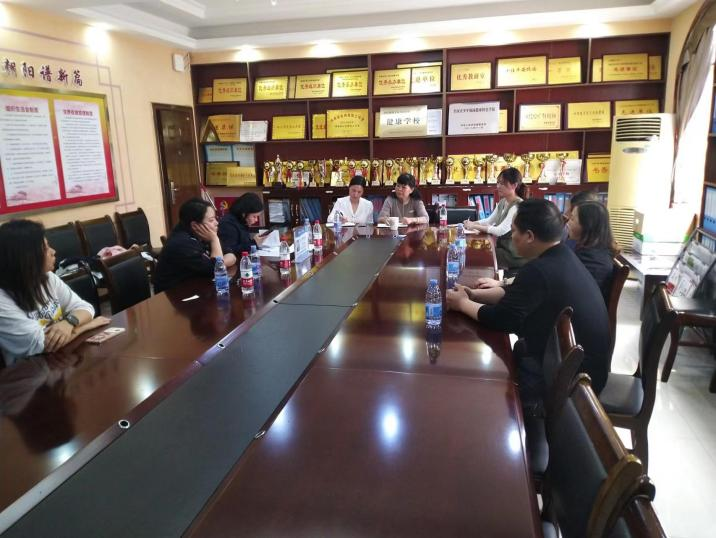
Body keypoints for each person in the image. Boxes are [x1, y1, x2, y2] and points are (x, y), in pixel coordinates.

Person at [446, 199, 611, 402]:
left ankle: (531, 417)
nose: (512, 236)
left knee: (488, 386)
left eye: (514, 231)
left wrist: (462, 304)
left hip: (575, 384)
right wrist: (472, 295)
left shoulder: (540, 270)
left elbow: (502, 319)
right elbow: (518, 293)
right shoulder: (561, 255)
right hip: (582, 368)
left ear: (530, 236)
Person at [0, 220, 109, 367]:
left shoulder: (47, 277)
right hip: (29, 372)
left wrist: (69, 323)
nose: (53, 251)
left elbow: (85, 308)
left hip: (57, 362)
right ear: (26, 257)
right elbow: (42, 343)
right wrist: (88, 325)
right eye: (45, 248)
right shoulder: (2, 299)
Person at [153, 198, 233, 293]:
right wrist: (214, 240)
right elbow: (217, 271)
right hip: (174, 295)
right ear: (195, 225)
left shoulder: (201, 234)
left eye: (215, 218)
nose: (217, 223)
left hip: (195, 288)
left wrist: (221, 263)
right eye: (211, 220)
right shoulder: (182, 243)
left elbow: (230, 254)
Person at [464, 167, 525, 272]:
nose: (498, 186)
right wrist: (472, 223)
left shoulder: (517, 206)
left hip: (513, 254)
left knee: (481, 254)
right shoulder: (503, 202)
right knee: (478, 251)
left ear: (514, 185)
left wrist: (474, 226)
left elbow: (500, 231)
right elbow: (489, 220)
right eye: (498, 183)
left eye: (502, 183)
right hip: (503, 249)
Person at [567, 201, 618, 300]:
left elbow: (574, 291)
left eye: (572, 219)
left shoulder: (592, 260)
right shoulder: (596, 250)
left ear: (587, 225)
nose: (568, 222)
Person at [218, 192, 265, 261]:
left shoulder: (241, 221)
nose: (256, 220)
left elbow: (243, 244)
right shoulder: (228, 224)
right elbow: (231, 250)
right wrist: (254, 243)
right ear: (244, 213)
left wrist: (255, 242)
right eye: (254, 216)